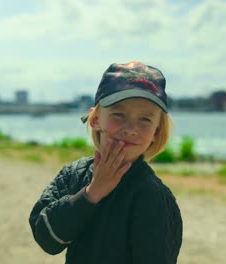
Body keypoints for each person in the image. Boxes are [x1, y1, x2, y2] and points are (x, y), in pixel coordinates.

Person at [29, 61, 182, 263]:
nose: (130, 128)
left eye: (145, 119)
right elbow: (46, 238)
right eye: (119, 114)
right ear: (95, 120)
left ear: (156, 132)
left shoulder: (153, 195)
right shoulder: (74, 174)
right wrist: (92, 193)